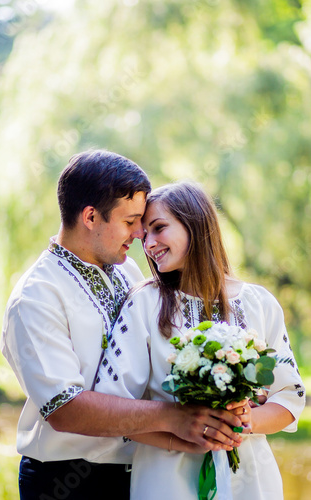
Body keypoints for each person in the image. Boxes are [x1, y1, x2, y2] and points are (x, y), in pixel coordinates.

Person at [1, 151, 245, 500]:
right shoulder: (36, 296)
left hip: (140, 471)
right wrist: (176, 418)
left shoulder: (127, 271)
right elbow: (65, 409)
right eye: (130, 221)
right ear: (90, 216)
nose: (141, 232)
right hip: (66, 481)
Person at [95, 180, 306, 500]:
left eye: (159, 228)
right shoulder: (145, 304)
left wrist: (243, 421)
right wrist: (181, 431)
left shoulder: (259, 303)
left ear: (195, 223)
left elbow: (289, 398)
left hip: (250, 480)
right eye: (144, 236)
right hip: (166, 480)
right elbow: (114, 409)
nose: (149, 243)